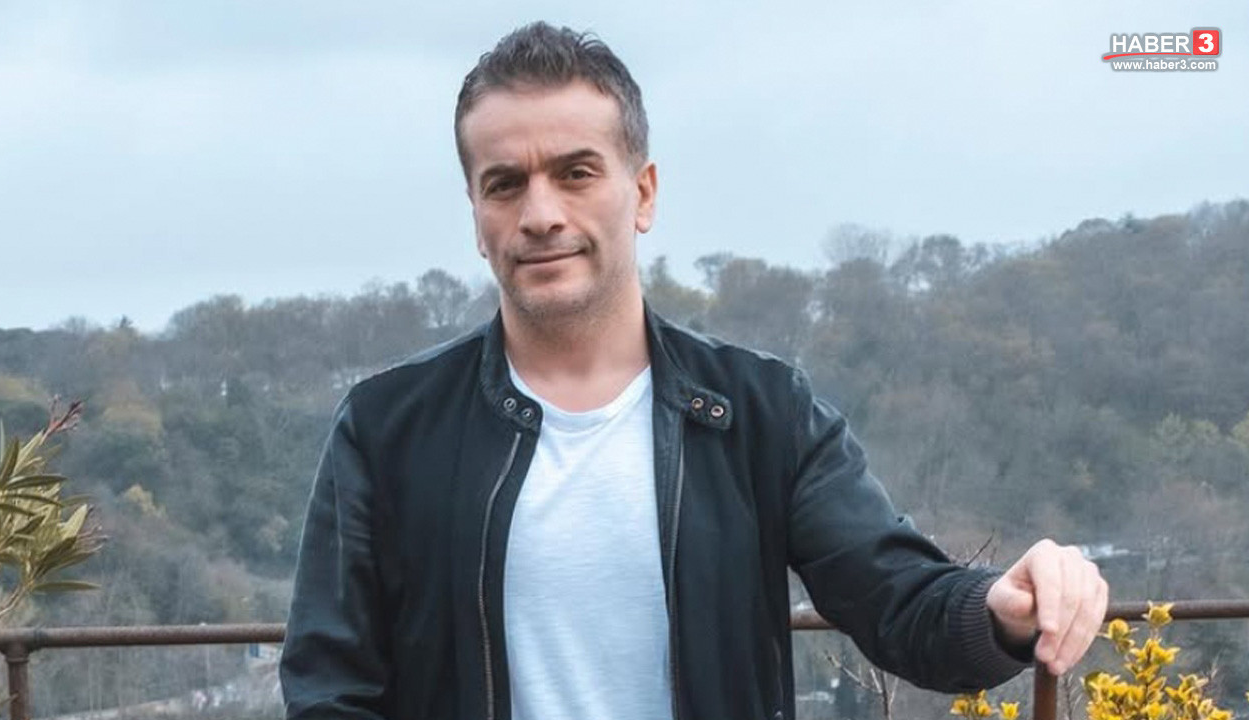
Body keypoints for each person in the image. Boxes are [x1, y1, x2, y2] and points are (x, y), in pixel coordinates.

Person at [280, 21, 1109, 720]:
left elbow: (899, 600)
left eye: (575, 172)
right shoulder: (386, 429)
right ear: (476, 216)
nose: (540, 214)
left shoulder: (761, 413)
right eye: (505, 184)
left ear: (642, 193)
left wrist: (1001, 608)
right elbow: (329, 688)